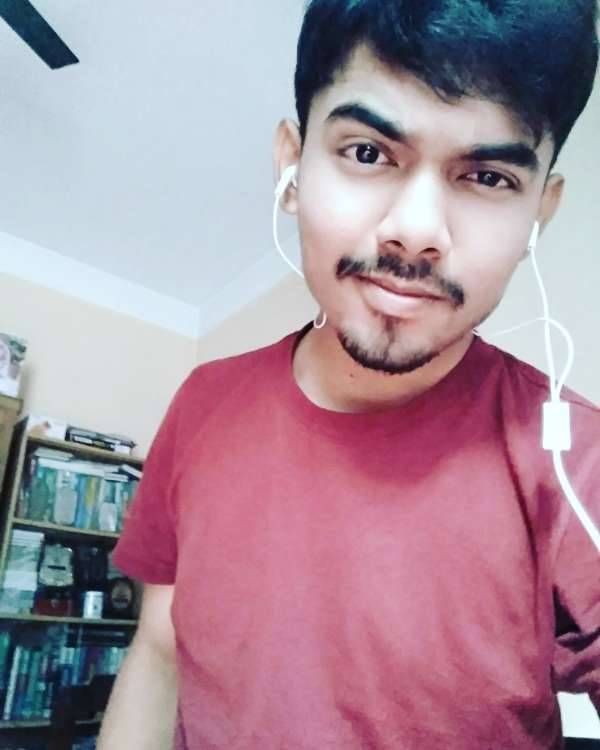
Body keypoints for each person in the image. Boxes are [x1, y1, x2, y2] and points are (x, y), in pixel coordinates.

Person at [97, 1, 600, 748]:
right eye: (368, 152)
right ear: (292, 167)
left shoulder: (577, 460)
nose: (417, 232)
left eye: (488, 176)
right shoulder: (204, 403)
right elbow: (161, 649)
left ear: (540, 214)